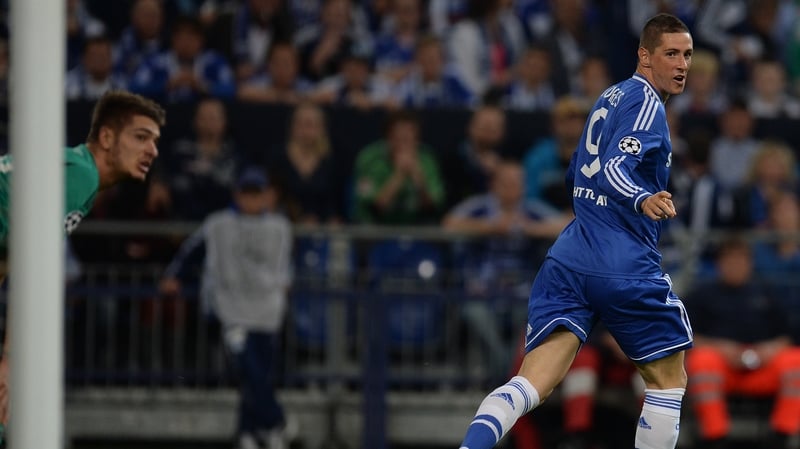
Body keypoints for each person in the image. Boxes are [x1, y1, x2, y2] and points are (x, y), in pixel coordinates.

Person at [458, 13, 694, 449]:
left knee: (533, 381)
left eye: (687, 55)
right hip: (622, 258)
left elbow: (577, 174)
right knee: (668, 379)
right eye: (671, 54)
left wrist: (595, 209)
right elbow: (615, 168)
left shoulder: (609, 97)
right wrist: (641, 199)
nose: (682, 65)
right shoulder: (646, 103)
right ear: (645, 56)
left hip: (571, 254)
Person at [0, 89, 166, 429]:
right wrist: (8, 361)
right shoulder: (80, 176)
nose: (153, 150)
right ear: (106, 137)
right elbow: (30, 270)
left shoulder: (74, 171)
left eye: (155, 141)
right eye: (141, 137)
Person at [159, 167, 292, 449]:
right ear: (238, 194)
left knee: (258, 375)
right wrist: (174, 275)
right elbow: (192, 250)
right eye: (247, 193)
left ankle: (250, 432)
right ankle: (276, 420)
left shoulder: (279, 226)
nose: (252, 200)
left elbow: (285, 265)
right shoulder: (218, 224)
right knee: (248, 369)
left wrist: (285, 282)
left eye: (257, 194)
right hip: (232, 310)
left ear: (266, 196)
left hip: (267, 311)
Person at [684, 237, 800, 449]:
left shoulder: (767, 292)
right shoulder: (702, 295)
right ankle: (715, 436)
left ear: (750, 263)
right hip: (722, 366)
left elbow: (789, 335)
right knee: (701, 360)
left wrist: (772, 348)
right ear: (719, 264)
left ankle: (781, 435)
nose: (735, 265)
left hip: (762, 367)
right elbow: (685, 335)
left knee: (796, 360)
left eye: (741, 260)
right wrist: (718, 347)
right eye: (730, 260)